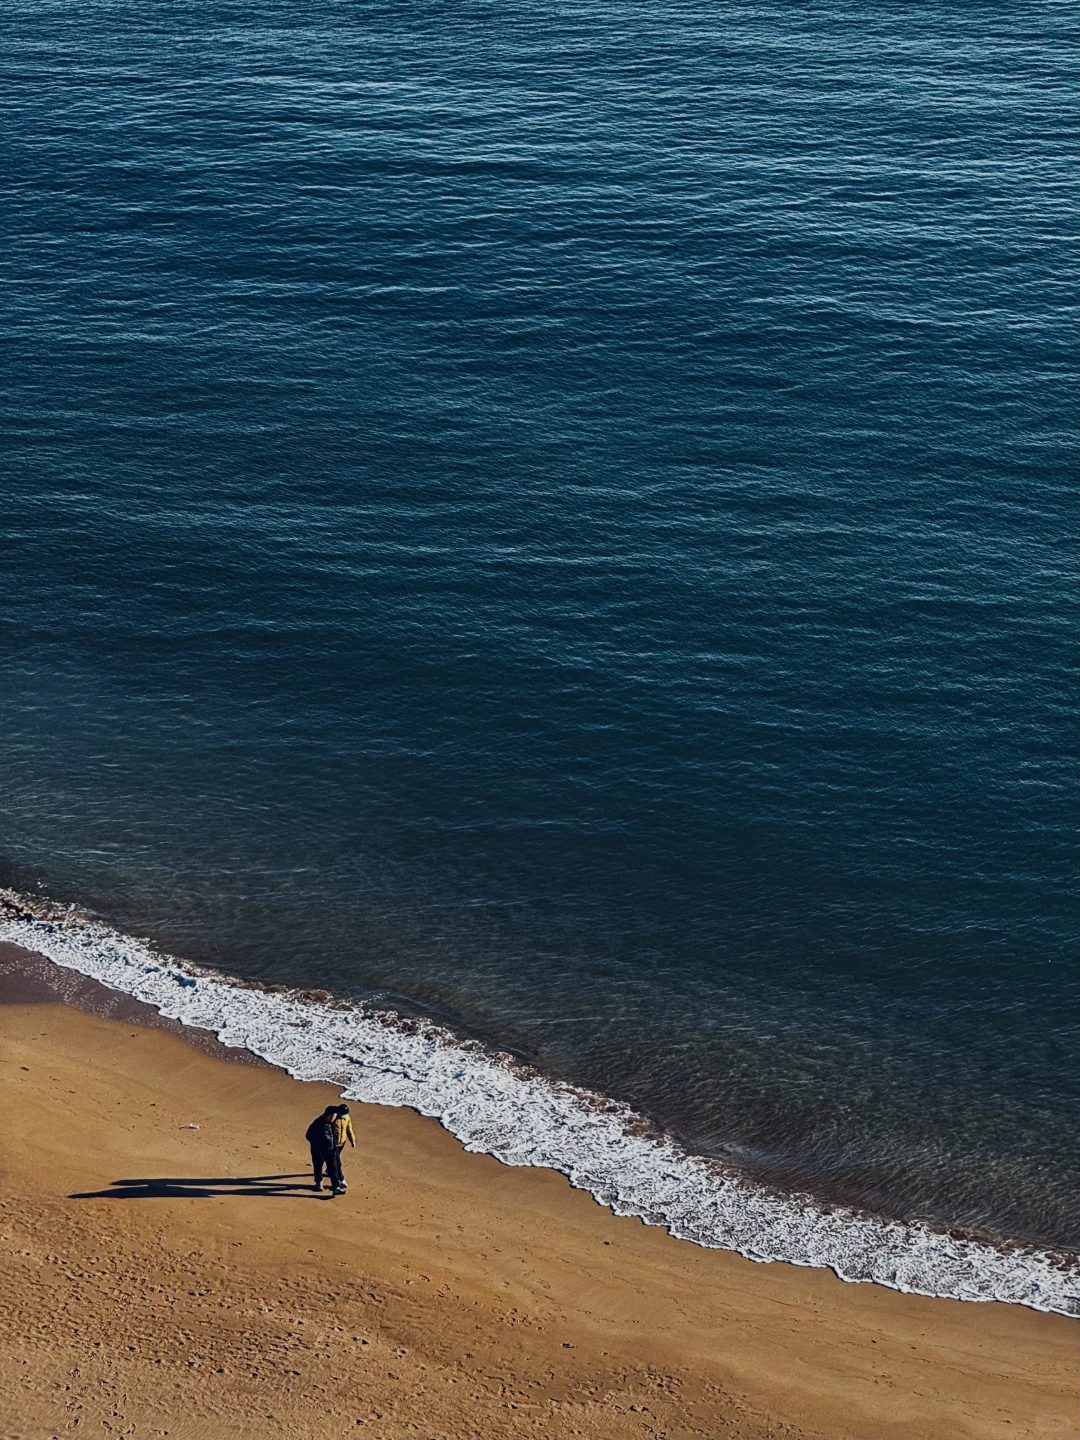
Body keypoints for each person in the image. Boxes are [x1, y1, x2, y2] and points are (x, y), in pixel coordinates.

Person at [304, 1106, 339, 1191]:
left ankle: (336, 1187)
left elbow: (334, 1136)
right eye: (333, 1116)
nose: (334, 1118)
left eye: (335, 1116)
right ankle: (319, 1183)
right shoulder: (317, 1123)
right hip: (318, 1151)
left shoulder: (333, 1123)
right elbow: (308, 1135)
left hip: (331, 1150)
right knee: (318, 1167)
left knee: (333, 1168)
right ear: (328, 1116)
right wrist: (318, 1145)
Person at [331, 1104, 356, 1194]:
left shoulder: (347, 1117)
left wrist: (352, 1140)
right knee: (338, 1162)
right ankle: (341, 1179)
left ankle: (329, 1170)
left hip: (342, 1142)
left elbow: (349, 1129)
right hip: (333, 1143)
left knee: (335, 1160)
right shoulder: (333, 1117)